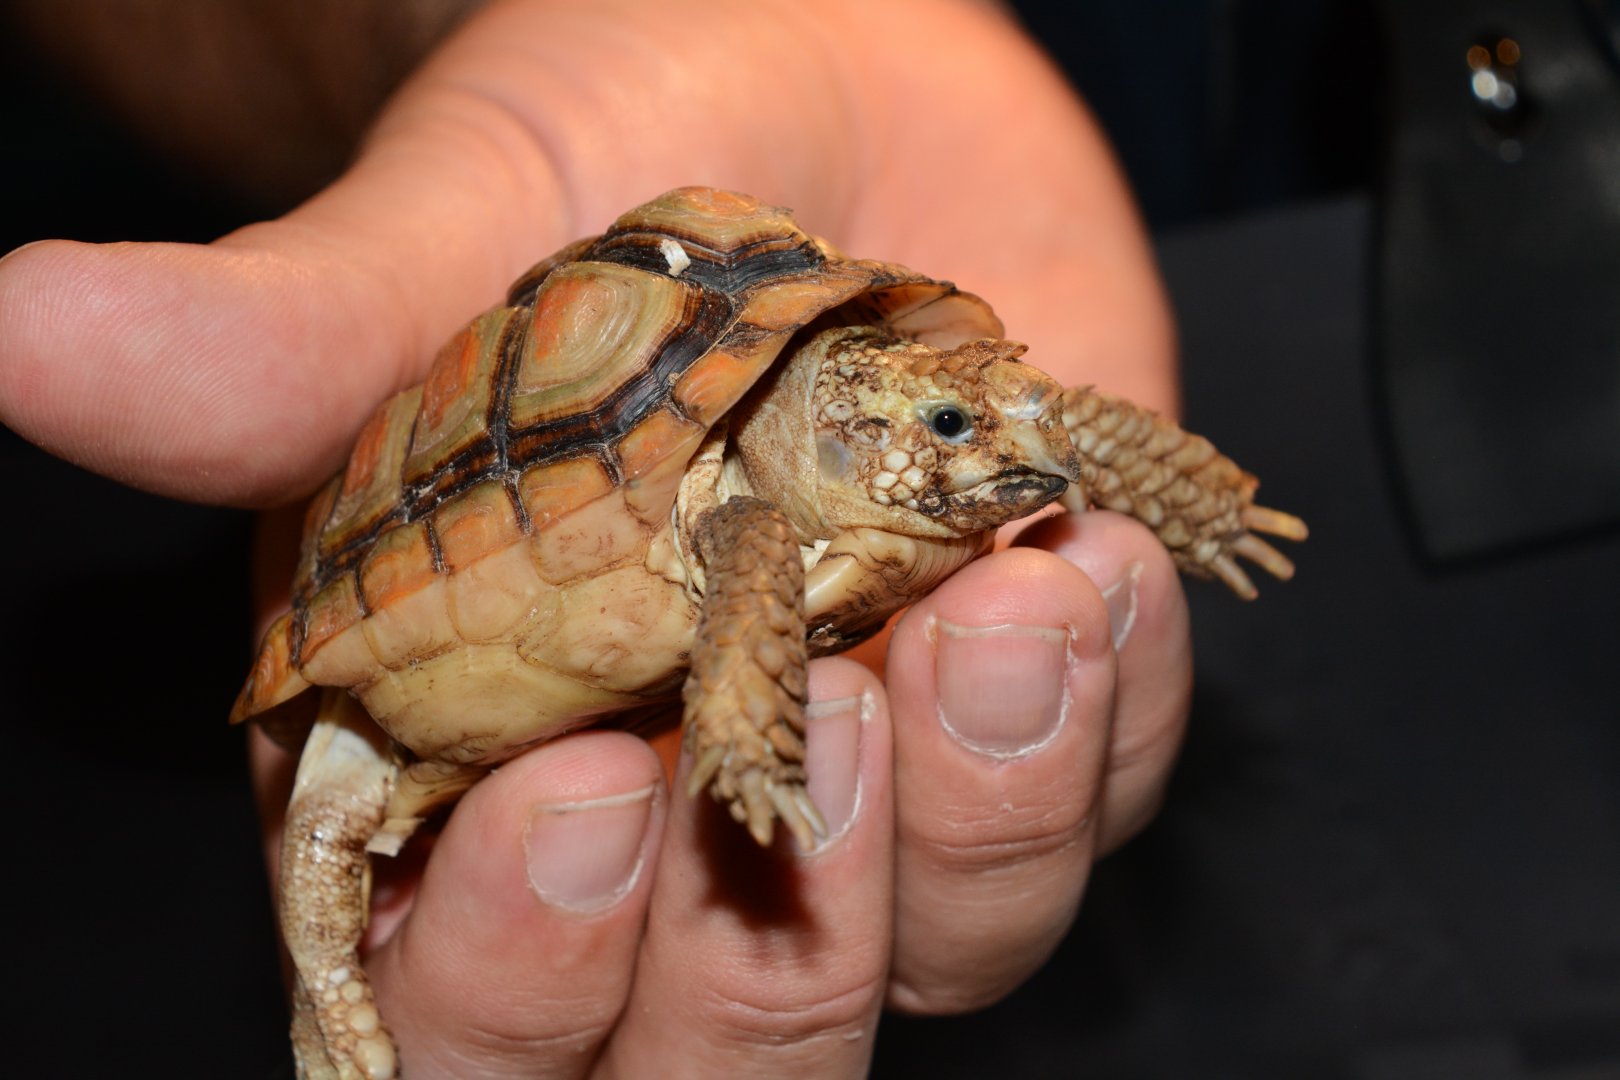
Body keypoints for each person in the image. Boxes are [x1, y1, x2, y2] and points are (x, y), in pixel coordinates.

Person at [0, 2, 1192, 1075]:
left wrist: (1188, 493)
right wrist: (747, 745)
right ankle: (326, 997)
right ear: (841, 432)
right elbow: (752, 569)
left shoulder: (891, 445)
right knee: (331, 804)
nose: (996, 450)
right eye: (946, 428)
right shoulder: (750, 521)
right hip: (443, 563)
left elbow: (1045, 418)